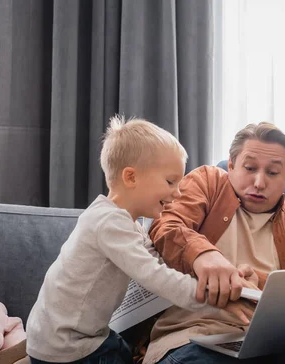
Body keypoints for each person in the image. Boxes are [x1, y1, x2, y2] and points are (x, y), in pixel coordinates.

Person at [26, 116, 250, 364]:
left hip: (86, 335)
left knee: (123, 351)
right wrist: (214, 301)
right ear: (131, 177)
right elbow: (157, 277)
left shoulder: (128, 222)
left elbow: (162, 264)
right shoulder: (108, 223)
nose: (177, 193)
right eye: (170, 181)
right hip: (67, 346)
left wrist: (226, 282)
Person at [143, 122, 285, 364]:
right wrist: (205, 255)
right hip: (196, 334)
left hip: (272, 340)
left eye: (272, 172)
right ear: (231, 165)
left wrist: (259, 283)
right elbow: (166, 226)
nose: (259, 182)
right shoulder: (209, 182)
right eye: (249, 168)